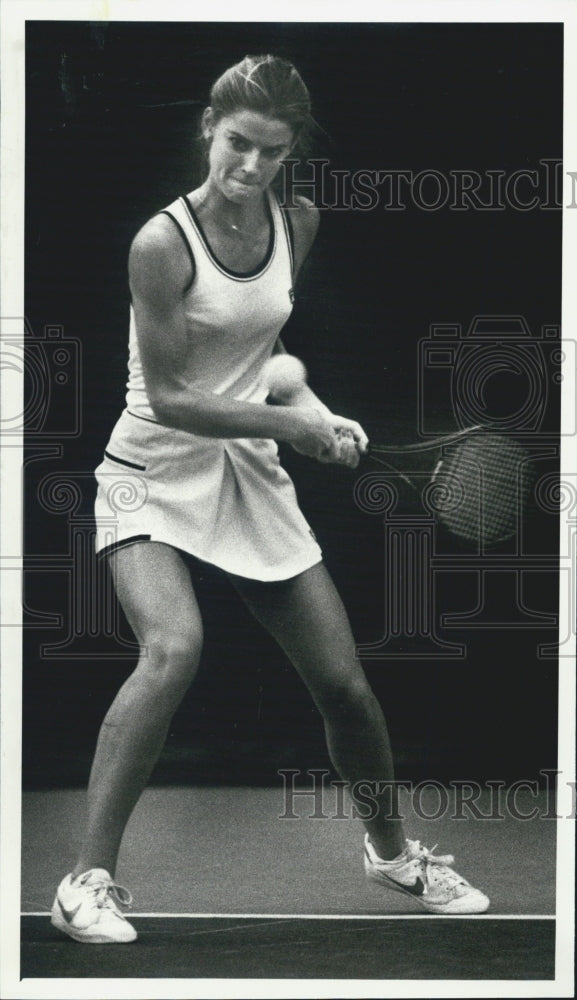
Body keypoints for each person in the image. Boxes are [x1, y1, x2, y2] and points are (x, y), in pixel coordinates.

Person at [51, 54, 489, 944]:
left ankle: (391, 854)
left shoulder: (298, 223)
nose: (249, 168)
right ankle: (84, 882)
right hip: (149, 469)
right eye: (237, 145)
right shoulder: (160, 243)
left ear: (293, 154)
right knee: (173, 649)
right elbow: (172, 394)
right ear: (209, 130)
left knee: (347, 691)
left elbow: (269, 353)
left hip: (247, 473)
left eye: (271, 153)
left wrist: (315, 413)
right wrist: (286, 427)